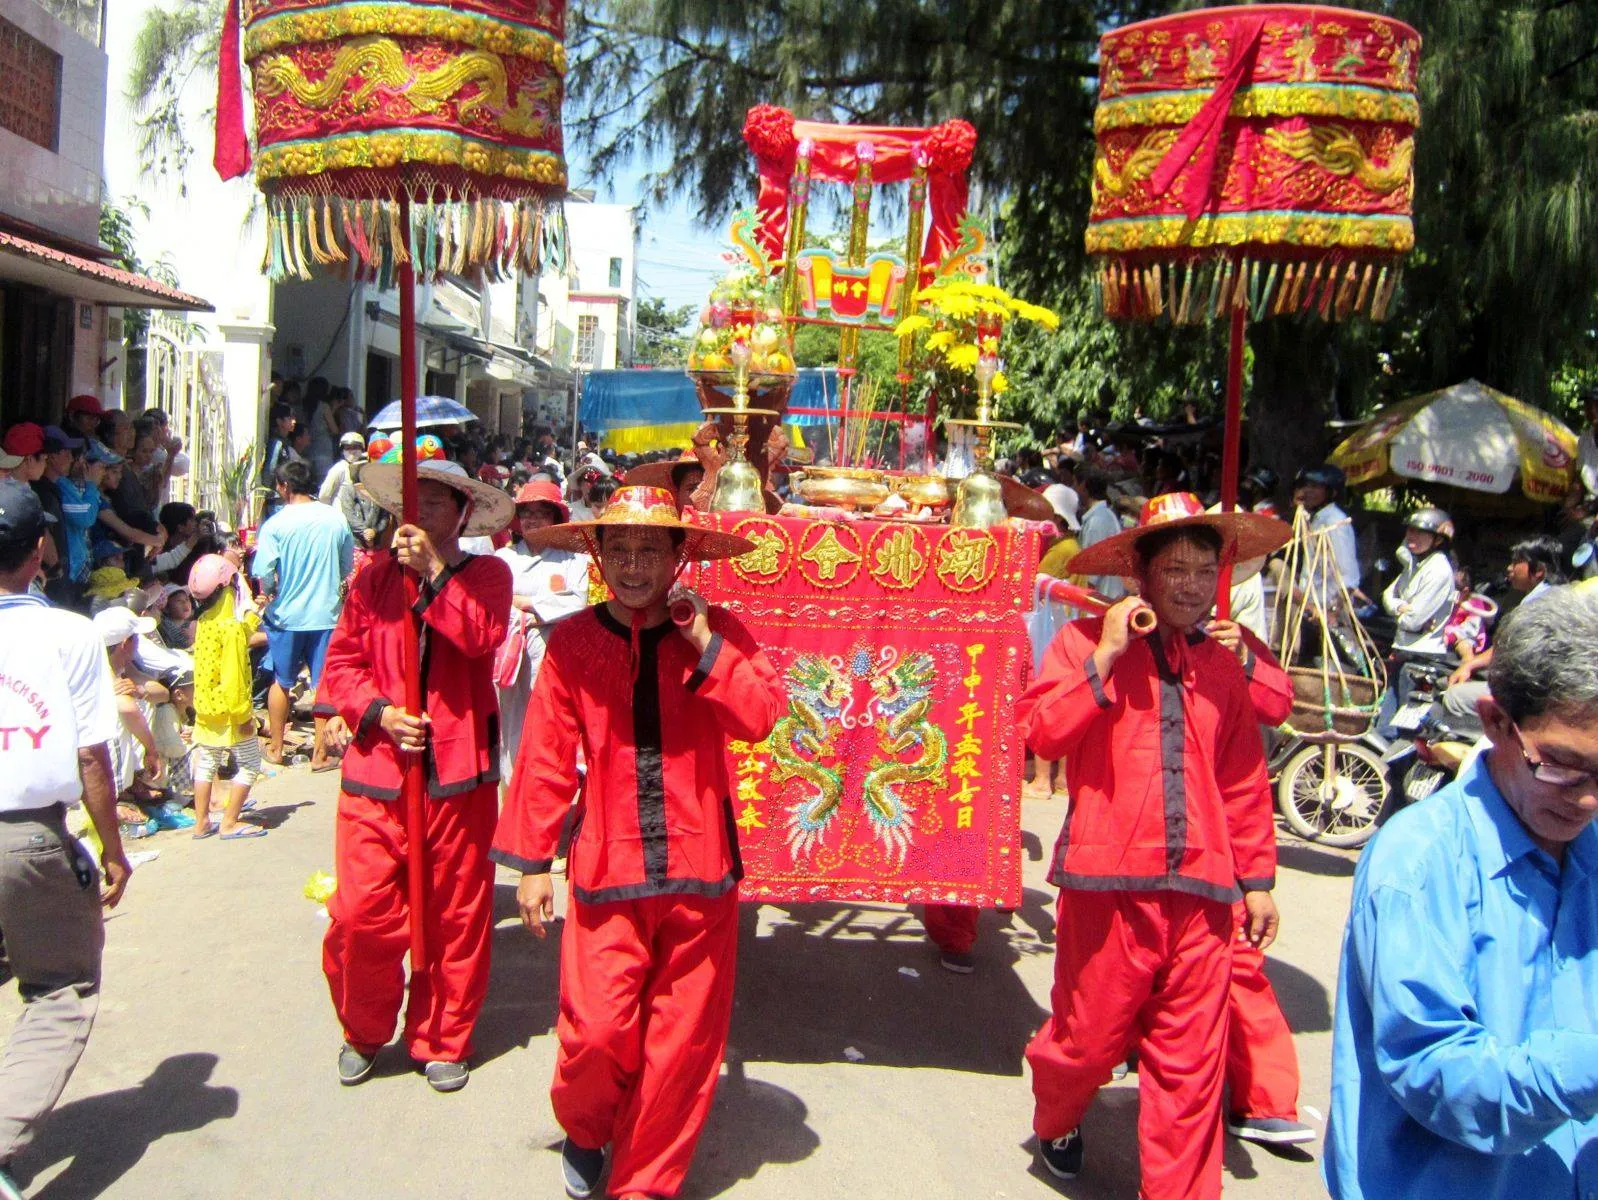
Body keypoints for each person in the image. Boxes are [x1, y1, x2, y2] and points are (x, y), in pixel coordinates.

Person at [492, 486, 784, 1200]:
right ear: (596, 555)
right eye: (617, 550)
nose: (631, 566)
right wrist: (532, 864)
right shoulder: (572, 644)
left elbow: (760, 717)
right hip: (606, 869)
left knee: (680, 1049)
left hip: (701, 874)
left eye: (648, 550)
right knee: (595, 1035)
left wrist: (706, 645)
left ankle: (644, 1184)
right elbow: (545, 760)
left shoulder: (721, 632)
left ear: (678, 556)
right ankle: (588, 1127)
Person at [1016, 491, 1289, 1198]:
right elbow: (1043, 735)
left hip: (1203, 895)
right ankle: (1057, 1116)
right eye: (1176, 569)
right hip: (1106, 886)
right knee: (1086, 1042)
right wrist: (1106, 654)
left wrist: (1256, 879)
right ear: (1141, 573)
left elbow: (1242, 780)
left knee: (1192, 1066)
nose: (1193, 585)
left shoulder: (1228, 665)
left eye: (1205, 569)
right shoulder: (1082, 642)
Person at [1325, 585, 1598, 1198]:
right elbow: (1434, 1071)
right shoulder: (1418, 862)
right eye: (1561, 766)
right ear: (1497, 721)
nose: (1588, 799)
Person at [316, 458, 513, 1094]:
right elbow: (342, 663)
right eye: (413, 501)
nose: (421, 512)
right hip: (377, 775)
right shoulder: (372, 577)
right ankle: (363, 1027)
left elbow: (481, 638)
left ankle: (443, 1036)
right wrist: (378, 712)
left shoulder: (488, 575)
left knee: (456, 916)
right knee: (361, 914)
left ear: (462, 514)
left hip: (459, 776)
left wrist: (432, 573)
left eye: (436, 503)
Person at [0, 481, 130, 1199]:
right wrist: (111, 850)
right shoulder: (71, 635)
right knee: (59, 990)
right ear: (41, 549)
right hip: (30, 842)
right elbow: (91, 761)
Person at [252, 460, 355, 770]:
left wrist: (271, 592)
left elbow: (265, 573)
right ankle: (321, 754)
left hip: (285, 615)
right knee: (323, 684)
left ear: (284, 487)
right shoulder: (335, 519)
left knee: (281, 681)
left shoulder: (276, 524)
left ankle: (276, 748)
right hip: (326, 614)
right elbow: (346, 566)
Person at [493, 480, 590, 781]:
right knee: (512, 723)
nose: (533, 520)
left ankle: (552, 787)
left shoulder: (573, 559)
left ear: (555, 518)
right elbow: (497, 603)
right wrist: (535, 611)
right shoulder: (503, 560)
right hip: (513, 654)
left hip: (555, 651)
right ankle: (511, 790)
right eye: (527, 513)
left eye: (541, 513)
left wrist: (527, 603)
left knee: (552, 720)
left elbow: (577, 601)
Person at [185, 554, 267, 840]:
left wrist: (255, 614)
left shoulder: (205, 622)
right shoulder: (230, 628)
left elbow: (239, 634)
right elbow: (233, 679)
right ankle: (229, 822)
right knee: (250, 765)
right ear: (227, 587)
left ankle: (201, 822)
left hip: (206, 709)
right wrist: (245, 716)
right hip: (232, 711)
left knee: (207, 763)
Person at [1443, 536, 1566, 722]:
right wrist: (1471, 663)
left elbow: (1511, 649)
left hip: (1532, 696)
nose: (1509, 567)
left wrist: (1469, 664)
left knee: (1454, 697)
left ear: (1539, 571)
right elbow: (1507, 643)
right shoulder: (1554, 595)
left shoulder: (1541, 603)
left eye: (1517, 562)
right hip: (1540, 691)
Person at [1292, 464, 1360, 601]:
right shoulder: (1315, 519)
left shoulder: (1335, 522)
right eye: (1306, 485)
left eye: (1315, 487)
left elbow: (1348, 574)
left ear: (1332, 493)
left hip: (1327, 607)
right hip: (1311, 604)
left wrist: (1334, 610)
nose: (1307, 491)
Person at [1074, 466, 1125, 600]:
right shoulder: (1102, 516)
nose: (1074, 489)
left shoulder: (1098, 521)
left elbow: (1091, 574)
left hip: (1101, 599)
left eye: (1075, 484)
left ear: (1083, 485)